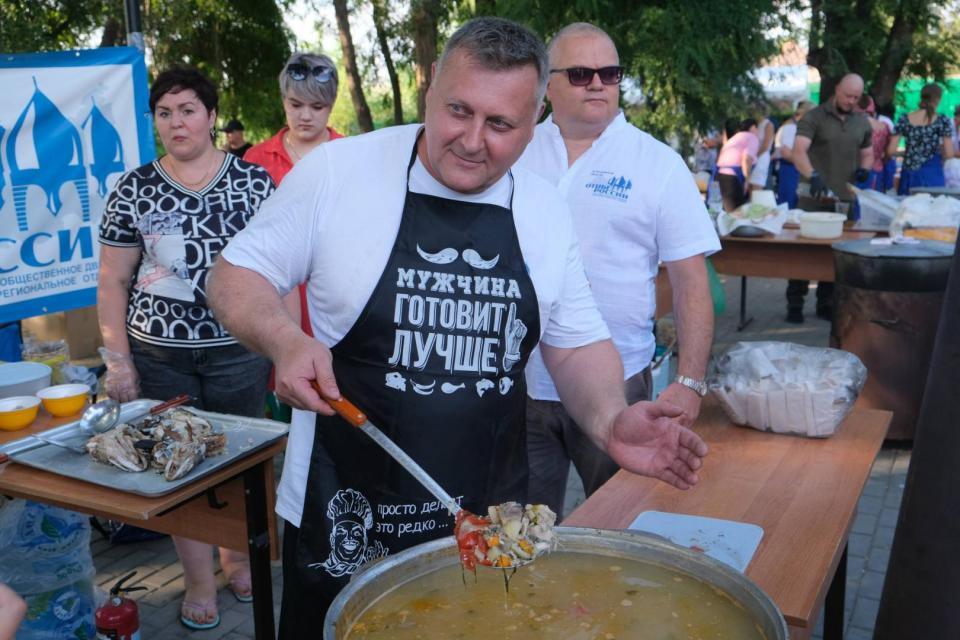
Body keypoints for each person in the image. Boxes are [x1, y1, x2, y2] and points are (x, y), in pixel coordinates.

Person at [206, 17, 708, 634]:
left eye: (500, 124)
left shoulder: (544, 209)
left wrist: (609, 419)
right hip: (346, 508)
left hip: (488, 515)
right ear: (429, 94)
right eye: (458, 111)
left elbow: (575, 343)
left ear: (534, 124)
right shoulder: (340, 172)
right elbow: (234, 277)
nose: (472, 141)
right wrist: (284, 340)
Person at [515, 22, 719, 518]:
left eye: (610, 73)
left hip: (618, 386)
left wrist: (690, 381)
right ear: (546, 84)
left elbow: (692, 282)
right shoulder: (514, 150)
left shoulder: (658, 164)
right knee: (521, 533)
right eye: (581, 74)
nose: (597, 84)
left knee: (621, 524)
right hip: (519, 384)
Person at [97, 67, 274, 631]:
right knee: (174, 467)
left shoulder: (254, 183)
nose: (177, 122)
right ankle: (198, 581)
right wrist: (118, 360)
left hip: (238, 353)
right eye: (165, 113)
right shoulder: (134, 188)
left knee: (236, 463)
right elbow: (112, 279)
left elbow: (278, 270)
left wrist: (282, 344)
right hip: (158, 358)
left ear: (212, 116)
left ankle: (237, 560)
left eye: (189, 110)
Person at [243, 51, 345, 336]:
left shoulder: (351, 154)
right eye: (296, 104)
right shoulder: (256, 159)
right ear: (283, 100)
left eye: (317, 106)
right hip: (272, 292)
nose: (305, 116)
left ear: (331, 104)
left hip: (334, 293)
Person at [787, 73, 873, 324]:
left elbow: (867, 153)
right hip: (813, 197)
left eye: (856, 97)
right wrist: (812, 174)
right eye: (848, 95)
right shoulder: (814, 117)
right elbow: (798, 151)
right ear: (837, 89)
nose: (851, 101)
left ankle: (825, 303)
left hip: (844, 199)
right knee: (803, 254)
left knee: (835, 254)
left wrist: (865, 169)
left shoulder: (861, 121)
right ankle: (795, 303)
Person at [887, 83, 955, 194]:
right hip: (932, 175)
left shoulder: (904, 118)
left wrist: (908, 153)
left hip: (909, 175)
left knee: (908, 204)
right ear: (938, 99)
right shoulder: (942, 120)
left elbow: (890, 151)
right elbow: (949, 154)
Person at [774, 100, 813, 208]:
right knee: (786, 204)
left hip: (791, 168)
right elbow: (786, 153)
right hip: (787, 169)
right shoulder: (790, 127)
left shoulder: (793, 126)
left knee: (790, 202)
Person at [715, 118, 760, 211]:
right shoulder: (752, 137)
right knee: (736, 212)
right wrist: (747, 180)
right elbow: (746, 159)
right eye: (757, 128)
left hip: (723, 174)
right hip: (731, 177)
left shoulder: (738, 136)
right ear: (753, 127)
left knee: (730, 211)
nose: (758, 131)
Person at [854, 95, 890, 192]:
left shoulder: (853, 125)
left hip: (856, 172)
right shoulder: (883, 126)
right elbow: (888, 151)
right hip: (877, 172)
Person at [749, 108, 776, 191]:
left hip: (761, 157)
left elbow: (766, 145)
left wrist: (754, 156)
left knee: (757, 185)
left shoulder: (768, 125)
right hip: (753, 156)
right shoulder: (755, 124)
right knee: (750, 185)